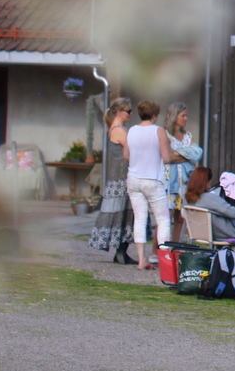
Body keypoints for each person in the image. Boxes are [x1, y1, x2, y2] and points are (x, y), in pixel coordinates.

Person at [85, 97, 135, 263]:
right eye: (128, 111)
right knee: (125, 215)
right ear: (119, 112)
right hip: (122, 179)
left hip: (117, 178)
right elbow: (129, 153)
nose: (130, 114)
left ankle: (120, 252)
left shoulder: (113, 128)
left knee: (121, 214)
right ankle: (121, 252)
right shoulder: (119, 130)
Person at [124, 100, 172, 270]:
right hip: (153, 180)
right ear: (154, 115)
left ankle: (141, 259)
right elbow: (166, 158)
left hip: (134, 178)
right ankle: (165, 260)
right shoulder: (159, 131)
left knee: (140, 218)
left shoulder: (131, 131)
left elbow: (126, 155)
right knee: (163, 220)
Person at [162, 102, 201, 213]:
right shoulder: (165, 134)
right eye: (183, 115)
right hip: (168, 182)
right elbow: (167, 157)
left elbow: (196, 154)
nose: (186, 118)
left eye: (186, 116)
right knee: (165, 216)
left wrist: (177, 154)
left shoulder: (188, 136)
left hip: (184, 182)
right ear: (174, 116)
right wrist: (186, 155)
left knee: (181, 217)